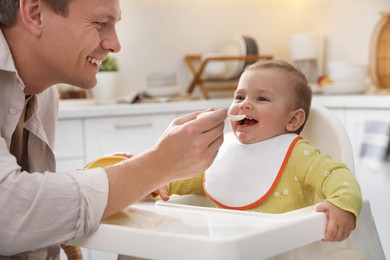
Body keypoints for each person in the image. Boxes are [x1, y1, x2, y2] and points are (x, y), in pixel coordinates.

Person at [0, 0, 226, 258]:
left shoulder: (45, 95)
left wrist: (132, 182)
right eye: (99, 24)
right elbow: (8, 215)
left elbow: (34, 226)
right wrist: (159, 164)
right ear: (34, 13)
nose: (114, 44)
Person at [154, 59, 362, 243]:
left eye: (261, 99)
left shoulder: (296, 154)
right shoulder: (222, 149)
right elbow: (196, 177)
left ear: (292, 120)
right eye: (239, 97)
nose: (244, 105)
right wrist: (160, 182)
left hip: (284, 251)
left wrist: (342, 205)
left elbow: (338, 175)